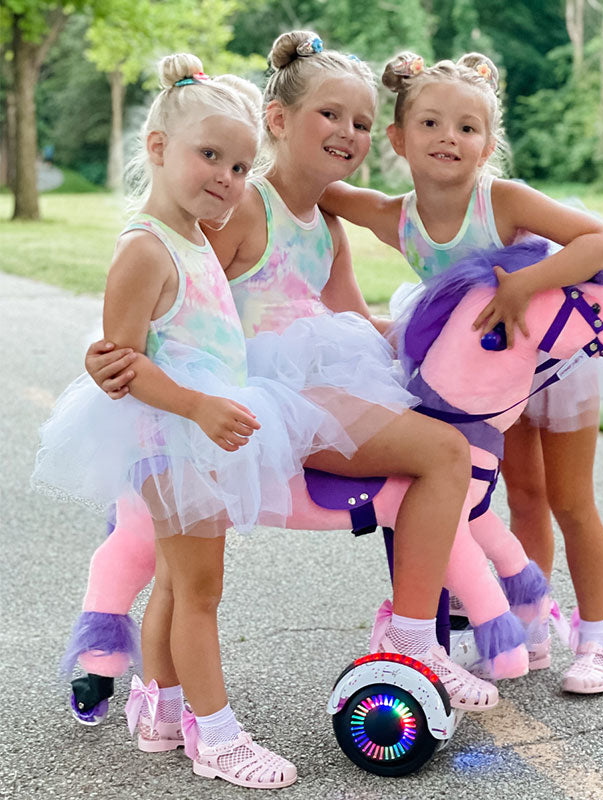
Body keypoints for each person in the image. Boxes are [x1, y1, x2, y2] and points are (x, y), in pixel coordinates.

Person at [72, 32, 498, 737]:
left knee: (450, 438)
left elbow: (353, 317)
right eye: (329, 115)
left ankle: (427, 625)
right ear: (278, 120)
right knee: (443, 453)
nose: (348, 133)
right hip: (259, 389)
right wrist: (120, 358)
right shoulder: (242, 202)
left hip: (320, 379)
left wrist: (450, 336)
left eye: (362, 123)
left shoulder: (327, 223)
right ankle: (413, 639)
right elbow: (174, 285)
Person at [32, 53, 355, 788]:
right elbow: (125, 364)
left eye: (241, 168)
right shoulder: (145, 247)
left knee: (179, 583)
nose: (226, 179)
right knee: (202, 589)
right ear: (158, 150)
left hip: (190, 431)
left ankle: (161, 710)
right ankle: (218, 736)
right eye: (209, 156)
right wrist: (200, 407)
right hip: (168, 432)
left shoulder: (191, 236)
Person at [318, 51, 603, 694]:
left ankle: (596, 637)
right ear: (399, 139)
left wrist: (524, 285)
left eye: (468, 128)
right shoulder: (396, 217)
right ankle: (530, 627)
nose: (449, 138)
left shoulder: (504, 201)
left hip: (547, 365)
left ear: (488, 144)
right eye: (431, 124)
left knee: (569, 501)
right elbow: (321, 189)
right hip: (479, 387)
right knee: (509, 497)